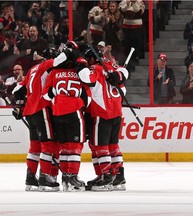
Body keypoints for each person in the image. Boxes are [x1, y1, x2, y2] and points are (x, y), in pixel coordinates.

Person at [12, 48, 67, 191]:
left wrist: (19, 106)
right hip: (41, 107)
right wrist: (70, 52)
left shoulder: (31, 70)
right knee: (47, 145)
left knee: (35, 146)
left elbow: (17, 90)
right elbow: (59, 60)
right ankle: (44, 178)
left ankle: (30, 179)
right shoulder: (45, 65)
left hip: (30, 111)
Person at [76, 47, 129, 191]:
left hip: (102, 113)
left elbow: (86, 77)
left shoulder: (95, 68)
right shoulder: (112, 66)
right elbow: (123, 87)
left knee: (100, 146)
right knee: (113, 146)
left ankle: (106, 177)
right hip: (116, 112)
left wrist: (80, 65)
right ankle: (118, 176)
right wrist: (119, 77)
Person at [42, 45, 91, 192]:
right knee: (75, 147)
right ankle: (72, 178)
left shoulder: (54, 73)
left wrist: (56, 96)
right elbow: (88, 99)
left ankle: (65, 179)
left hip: (57, 113)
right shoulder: (80, 73)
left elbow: (45, 96)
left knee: (63, 148)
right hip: (74, 113)